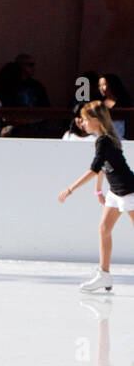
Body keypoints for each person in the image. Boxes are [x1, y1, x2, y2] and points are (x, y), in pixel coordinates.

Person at [57, 102, 134, 292]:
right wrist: (99, 190)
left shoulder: (105, 140)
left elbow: (93, 169)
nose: (82, 123)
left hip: (128, 191)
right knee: (104, 229)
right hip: (115, 193)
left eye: (84, 120)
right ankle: (104, 275)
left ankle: (104, 275)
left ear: (96, 120)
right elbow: (102, 168)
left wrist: (70, 188)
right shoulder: (102, 140)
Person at [99, 73, 131, 138]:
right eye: (100, 85)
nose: (101, 88)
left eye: (104, 85)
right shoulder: (99, 103)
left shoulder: (123, 103)